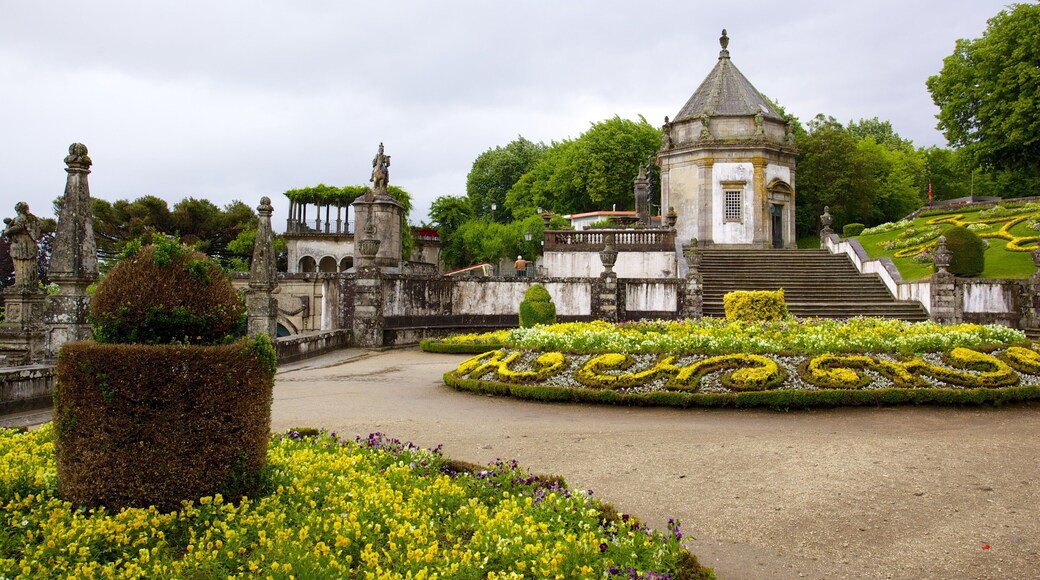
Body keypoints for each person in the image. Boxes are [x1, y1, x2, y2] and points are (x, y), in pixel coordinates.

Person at [2, 202, 41, 292]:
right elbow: (40, 227)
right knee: (28, 262)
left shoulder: (20, 218)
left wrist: (7, 231)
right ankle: (27, 282)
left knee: (22, 262)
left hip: (22, 243)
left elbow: (18, 227)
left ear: (19, 210)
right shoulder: (33, 219)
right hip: (28, 242)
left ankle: (23, 283)